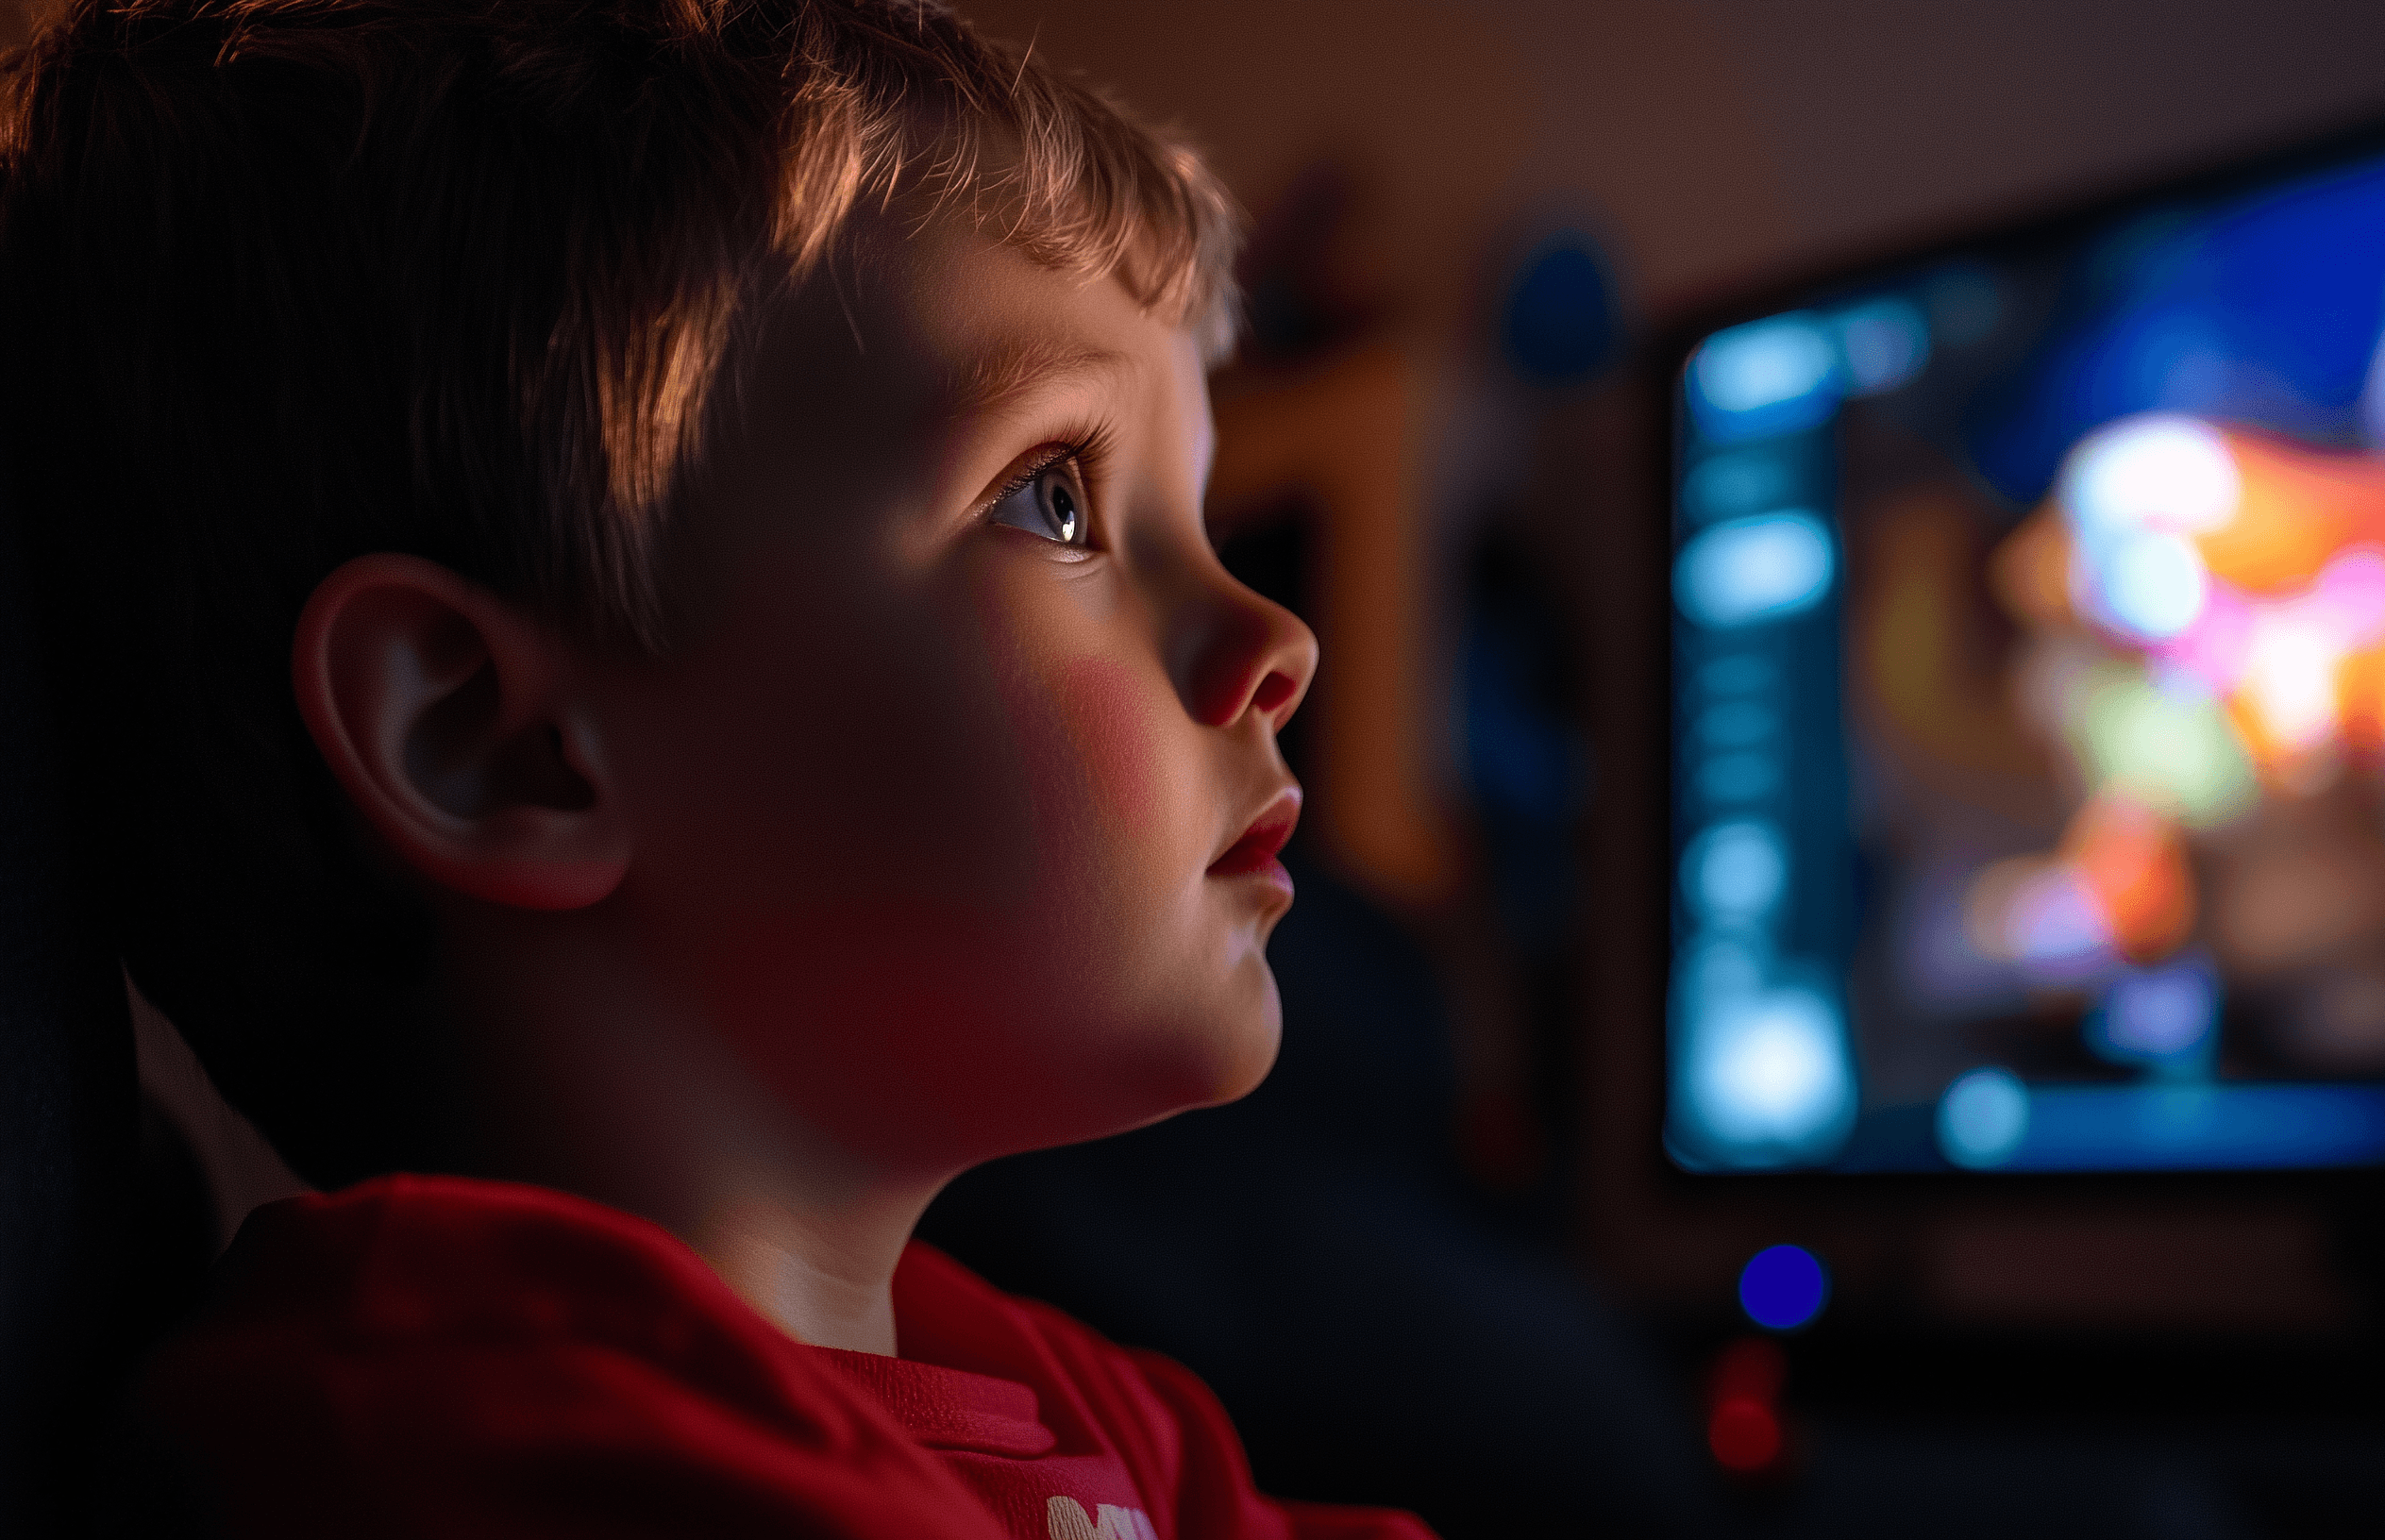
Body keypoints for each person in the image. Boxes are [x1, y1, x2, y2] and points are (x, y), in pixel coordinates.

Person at [0, 1, 1429, 1535]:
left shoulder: (1070, 1402)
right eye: (1057, 499)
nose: (1275, 637)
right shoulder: (474, 1445)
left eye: (1196, 517)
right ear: (496, 745)